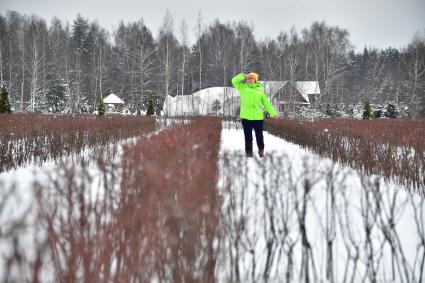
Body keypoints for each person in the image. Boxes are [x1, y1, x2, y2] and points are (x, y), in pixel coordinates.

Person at [231, 72, 278, 157]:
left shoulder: (260, 90)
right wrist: (242, 75)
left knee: (259, 136)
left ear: (255, 80)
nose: (250, 80)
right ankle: (249, 153)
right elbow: (234, 81)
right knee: (248, 137)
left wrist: (273, 113)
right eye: (248, 78)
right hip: (246, 117)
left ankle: (261, 151)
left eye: (252, 78)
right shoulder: (242, 88)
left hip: (258, 118)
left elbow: (266, 103)